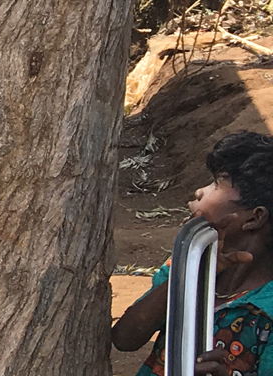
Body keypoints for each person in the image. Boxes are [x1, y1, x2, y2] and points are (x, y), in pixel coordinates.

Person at [113, 131, 273, 376]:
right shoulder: (187, 262)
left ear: (255, 217)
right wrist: (188, 273)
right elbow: (125, 338)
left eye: (216, 184)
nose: (200, 191)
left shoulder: (267, 309)